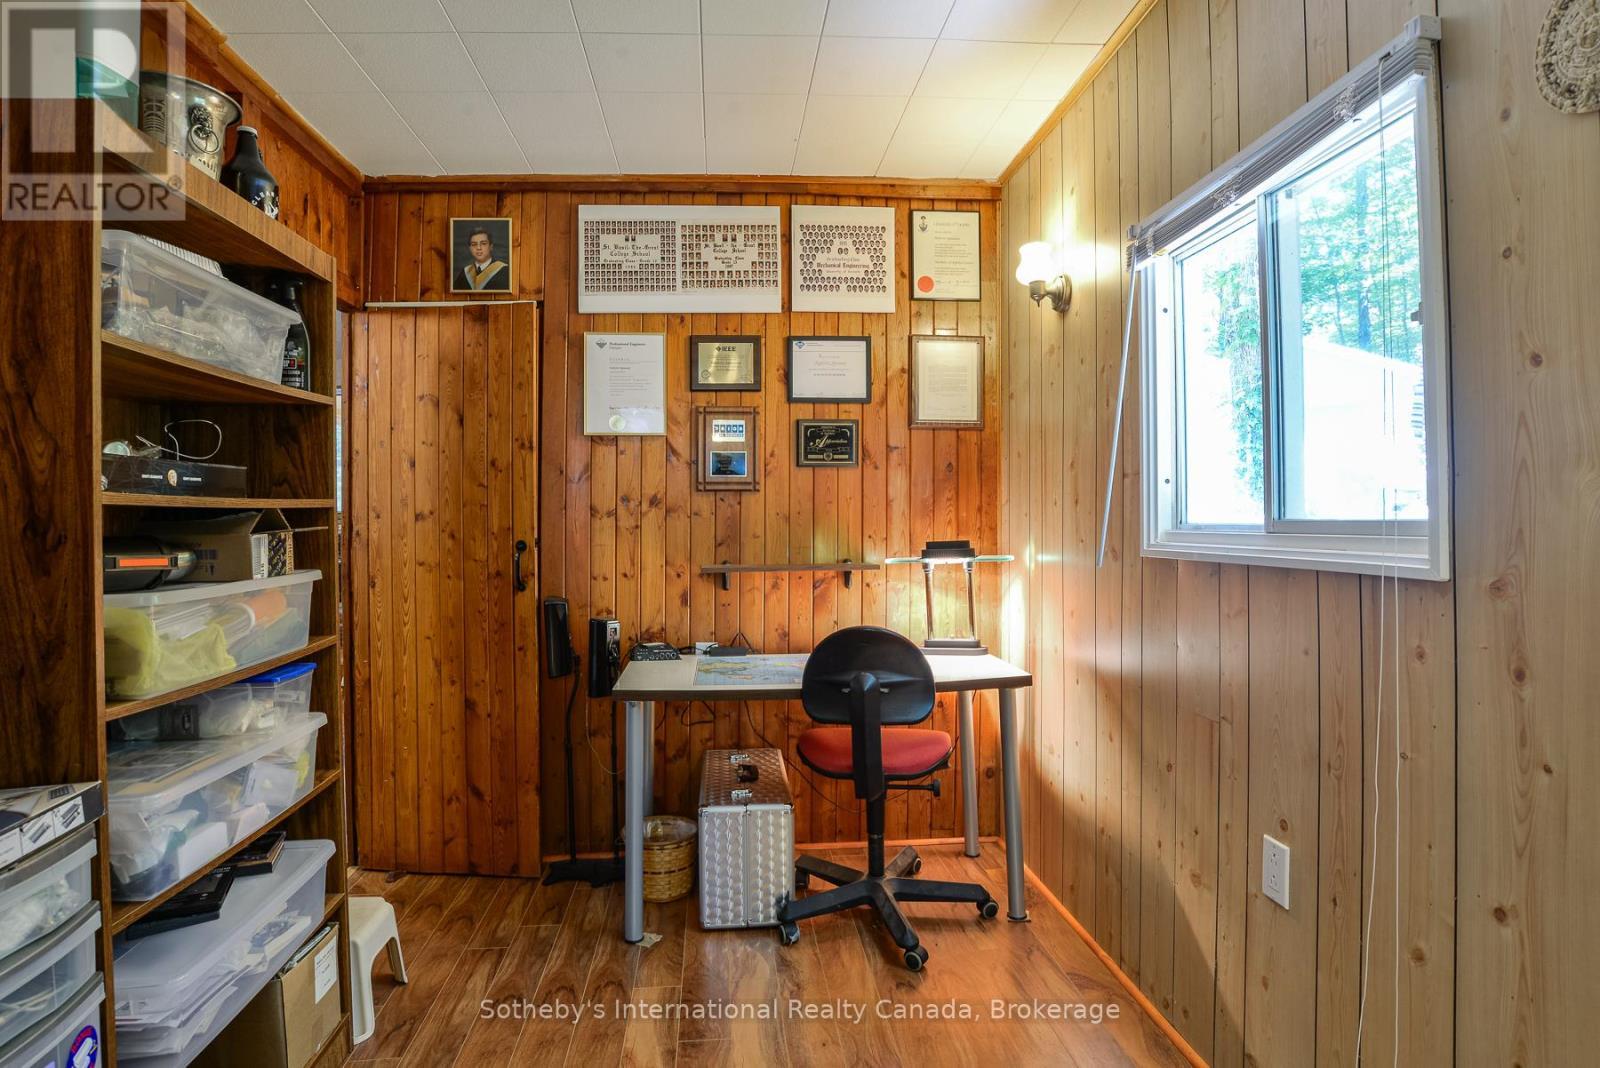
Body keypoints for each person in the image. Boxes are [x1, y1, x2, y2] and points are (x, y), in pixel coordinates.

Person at [456, 226, 510, 291]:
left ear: (491, 247)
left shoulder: (504, 272)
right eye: (474, 244)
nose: (478, 248)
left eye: (483, 243)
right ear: (470, 248)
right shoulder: (465, 273)